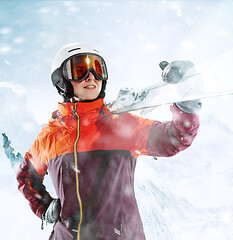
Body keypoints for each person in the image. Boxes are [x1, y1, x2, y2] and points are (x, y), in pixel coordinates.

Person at [16, 43, 201, 239]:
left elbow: (174, 138)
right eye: (79, 70)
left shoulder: (123, 126)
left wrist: (187, 101)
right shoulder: (49, 137)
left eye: (97, 69)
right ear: (62, 81)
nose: (90, 76)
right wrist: (43, 207)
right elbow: (26, 176)